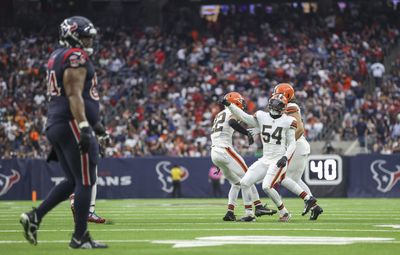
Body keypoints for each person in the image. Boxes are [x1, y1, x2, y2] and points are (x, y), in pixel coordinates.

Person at [20, 16, 107, 249]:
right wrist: (85, 127)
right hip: (71, 123)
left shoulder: (57, 55)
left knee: (72, 181)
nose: (89, 41)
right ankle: (80, 237)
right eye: (86, 36)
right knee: (86, 181)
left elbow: (78, 97)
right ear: (73, 34)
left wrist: (97, 126)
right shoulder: (75, 56)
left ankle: (35, 216)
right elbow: (74, 94)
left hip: (60, 123)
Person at [222, 93, 317, 222]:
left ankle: (285, 212)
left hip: (277, 160)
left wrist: (285, 157)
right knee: (244, 182)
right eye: (275, 103)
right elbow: (245, 117)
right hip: (265, 159)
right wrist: (230, 105)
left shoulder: (288, 121)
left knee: (266, 186)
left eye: (279, 104)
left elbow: (292, 143)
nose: (276, 106)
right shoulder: (262, 116)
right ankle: (249, 214)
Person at [211, 92, 276, 222]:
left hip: (214, 152)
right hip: (224, 150)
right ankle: (257, 207)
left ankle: (230, 212)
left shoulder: (219, 114)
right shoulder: (230, 111)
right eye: (240, 101)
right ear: (234, 102)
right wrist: (247, 133)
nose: (243, 104)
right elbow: (232, 122)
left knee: (236, 183)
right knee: (248, 177)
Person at [272, 83, 323, 220]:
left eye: (278, 94)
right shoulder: (286, 107)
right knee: (294, 180)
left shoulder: (291, 107)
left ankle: (310, 201)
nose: (275, 97)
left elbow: (300, 129)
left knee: (283, 179)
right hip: (299, 146)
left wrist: (288, 145)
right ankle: (314, 206)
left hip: (297, 146)